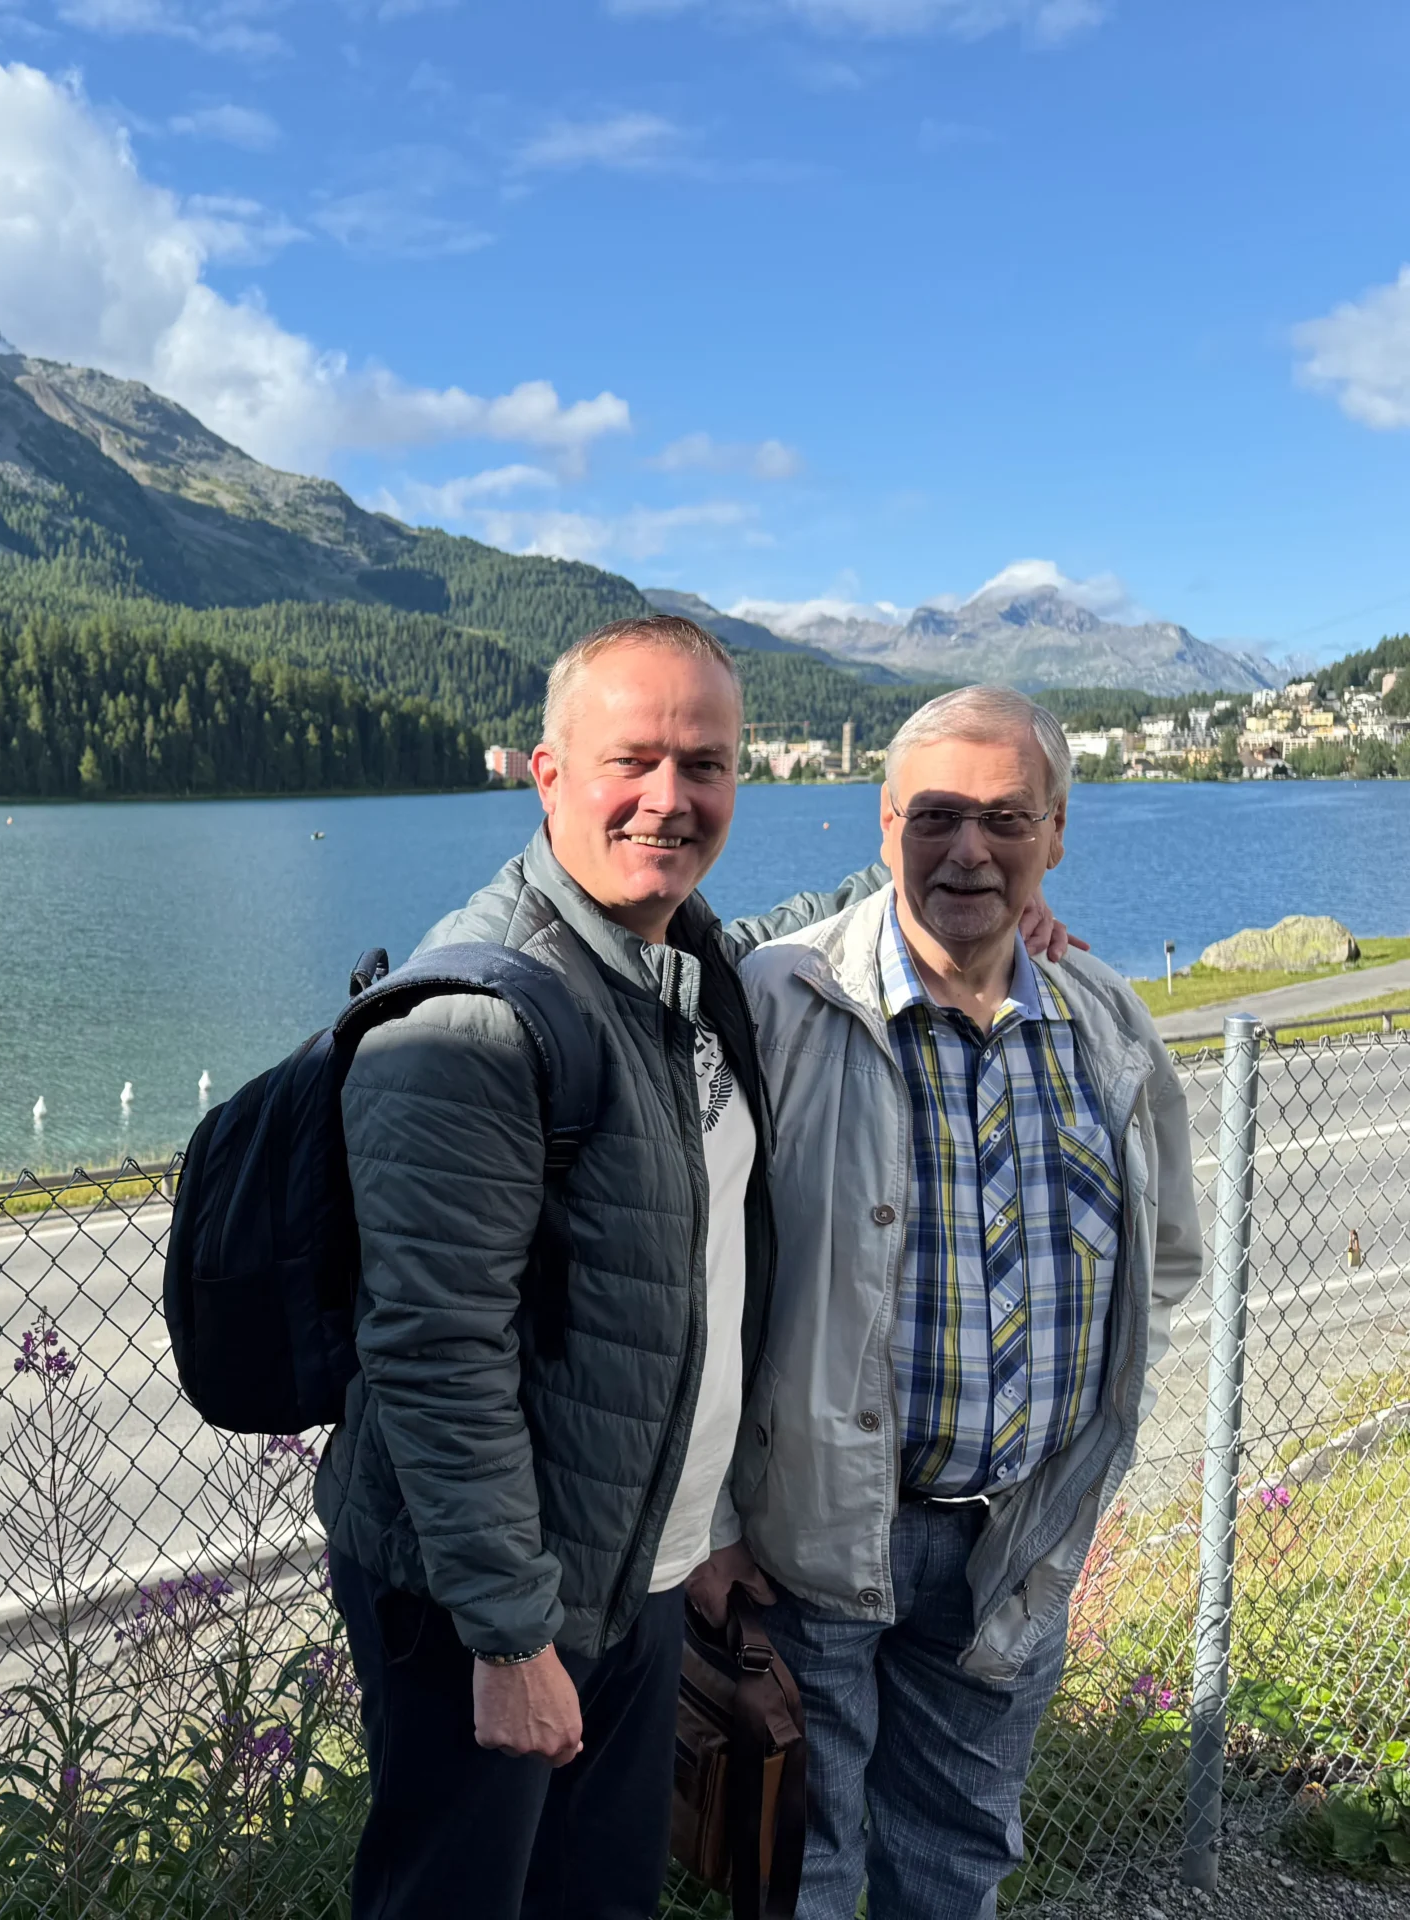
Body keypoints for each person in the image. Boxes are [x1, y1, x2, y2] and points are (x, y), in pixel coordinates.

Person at [313, 612, 910, 1920]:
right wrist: (508, 1637)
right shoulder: (476, 1019)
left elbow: (779, 935)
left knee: (600, 1901)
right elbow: (433, 1352)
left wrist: (947, 883)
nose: (670, 797)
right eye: (632, 760)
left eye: (706, 764)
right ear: (548, 775)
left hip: (637, 1568)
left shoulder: (674, 959)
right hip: (484, 1597)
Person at [692, 684, 1201, 1919]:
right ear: (884, 824)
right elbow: (694, 1281)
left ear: (1056, 833)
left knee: (959, 1860)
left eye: (1005, 818)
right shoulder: (776, 1005)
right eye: (935, 816)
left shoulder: (1105, 1024)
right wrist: (706, 1527)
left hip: (1008, 1551)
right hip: (804, 1545)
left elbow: (1163, 1262)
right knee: (798, 1875)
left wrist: (1068, 1467)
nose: (967, 849)